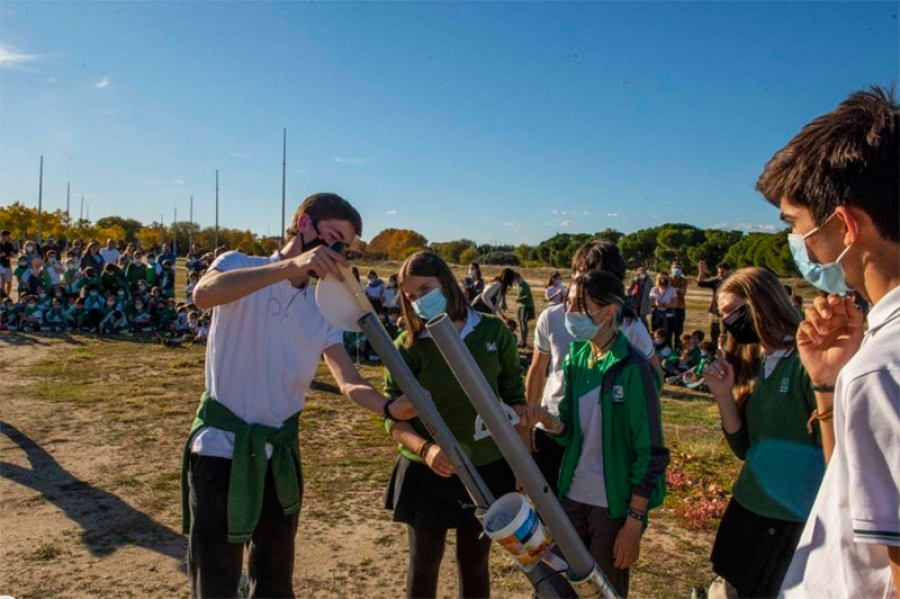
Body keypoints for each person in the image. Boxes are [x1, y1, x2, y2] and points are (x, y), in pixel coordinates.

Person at [180, 192, 415, 599]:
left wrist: (389, 407)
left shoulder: (323, 307)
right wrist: (291, 266)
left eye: (347, 245)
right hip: (219, 450)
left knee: (274, 579)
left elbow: (348, 378)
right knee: (215, 579)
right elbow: (204, 295)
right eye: (334, 236)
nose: (339, 251)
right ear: (304, 224)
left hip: (279, 456)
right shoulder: (240, 265)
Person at [754, 86, 899, 599]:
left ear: (843, 226)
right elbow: (855, 494)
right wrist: (829, 384)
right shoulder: (872, 362)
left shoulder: (882, 370)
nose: (798, 246)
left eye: (796, 226)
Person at [382, 250, 527, 599]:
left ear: (446, 283)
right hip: (428, 471)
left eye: (426, 289)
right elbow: (392, 420)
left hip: (487, 467)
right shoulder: (407, 346)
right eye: (411, 296)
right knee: (424, 562)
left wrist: (522, 463)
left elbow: (515, 400)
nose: (419, 301)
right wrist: (427, 449)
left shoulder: (493, 332)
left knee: (474, 563)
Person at [535, 269, 669, 598]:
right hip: (572, 496)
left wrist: (634, 523)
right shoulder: (577, 358)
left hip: (613, 508)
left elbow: (651, 453)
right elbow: (568, 430)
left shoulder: (635, 370)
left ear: (608, 312)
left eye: (579, 306)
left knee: (604, 592)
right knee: (556, 587)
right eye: (567, 303)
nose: (568, 313)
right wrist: (549, 421)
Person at [702, 268, 825, 598]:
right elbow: (745, 448)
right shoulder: (757, 361)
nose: (726, 321)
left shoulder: (806, 363)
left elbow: (832, 451)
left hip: (788, 518)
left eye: (731, 310)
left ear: (759, 302)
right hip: (748, 507)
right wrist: (723, 394)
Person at [526, 240, 661, 496]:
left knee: (589, 517)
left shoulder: (630, 327)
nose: (593, 283)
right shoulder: (552, 318)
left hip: (600, 438)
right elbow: (536, 370)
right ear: (575, 273)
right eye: (587, 273)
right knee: (549, 514)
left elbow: (654, 380)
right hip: (553, 428)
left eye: (604, 277)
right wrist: (528, 425)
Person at [697, 260, 732, 343]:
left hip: (726, 314)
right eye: (719, 272)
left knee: (723, 337)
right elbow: (700, 283)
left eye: (723, 272)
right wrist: (701, 272)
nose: (721, 274)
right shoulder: (716, 281)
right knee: (713, 336)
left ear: (728, 271)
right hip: (714, 313)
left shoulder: (732, 282)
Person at [649, 272, 677, 348]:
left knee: (668, 336)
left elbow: (675, 304)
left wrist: (664, 305)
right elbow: (650, 303)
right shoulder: (654, 289)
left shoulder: (672, 290)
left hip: (668, 317)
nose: (663, 279)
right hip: (656, 316)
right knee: (656, 335)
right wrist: (655, 303)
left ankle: (668, 353)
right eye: (661, 278)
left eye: (665, 277)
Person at [514, 271, 535, 348]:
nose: (514, 281)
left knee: (524, 324)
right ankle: (521, 340)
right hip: (520, 306)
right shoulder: (518, 285)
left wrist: (519, 299)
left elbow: (528, 295)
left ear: (518, 277)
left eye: (514, 279)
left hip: (527, 306)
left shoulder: (525, 284)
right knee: (520, 323)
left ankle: (524, 341)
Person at [670, 261, 689, 347]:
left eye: (679, 268)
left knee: (679, 332)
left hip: (680, 307)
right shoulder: (668, 279)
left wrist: (674, 289)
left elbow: (683, 291)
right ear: (671, 269)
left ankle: (677, 350)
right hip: (669, 307)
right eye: (675, 268)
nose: (677, 270)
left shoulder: (684, 280)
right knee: (668, 332)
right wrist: (677, 289)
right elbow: (667, 290)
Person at [0, 229, 16, 297]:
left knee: (9, 282)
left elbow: (12, 254)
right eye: (7, 236)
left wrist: (10, 256)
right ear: (3, 236)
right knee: (1, 283)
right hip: (0, 265)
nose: (8, 237)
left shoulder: (9, 244)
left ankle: (7, 296)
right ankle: (1, 295)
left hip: (7, 265)